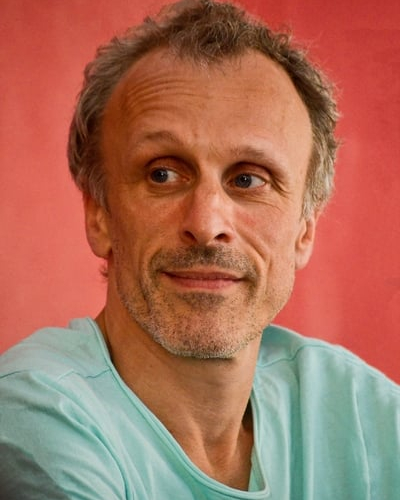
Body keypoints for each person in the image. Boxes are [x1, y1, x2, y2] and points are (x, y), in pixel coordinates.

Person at [0, 0, 399, 498]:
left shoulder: (363, 414)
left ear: (305, 229)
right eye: (163, 174)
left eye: (249, 179)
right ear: (99, 215)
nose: (207, 225)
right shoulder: (37, 417)